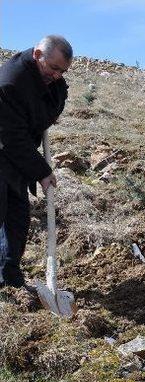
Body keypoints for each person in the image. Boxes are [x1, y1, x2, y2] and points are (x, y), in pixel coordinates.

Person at [0, 35, 72, 288]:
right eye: (54, 68)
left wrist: (48, 115)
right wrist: (41, 170)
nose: (57, 75)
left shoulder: (50, 78)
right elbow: (11, 136)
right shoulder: (10, 81)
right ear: (38, 55)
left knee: (18, 217)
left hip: (17, 157)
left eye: (63, 71)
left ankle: (9, 275)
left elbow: (57, 97)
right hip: (6, 147)